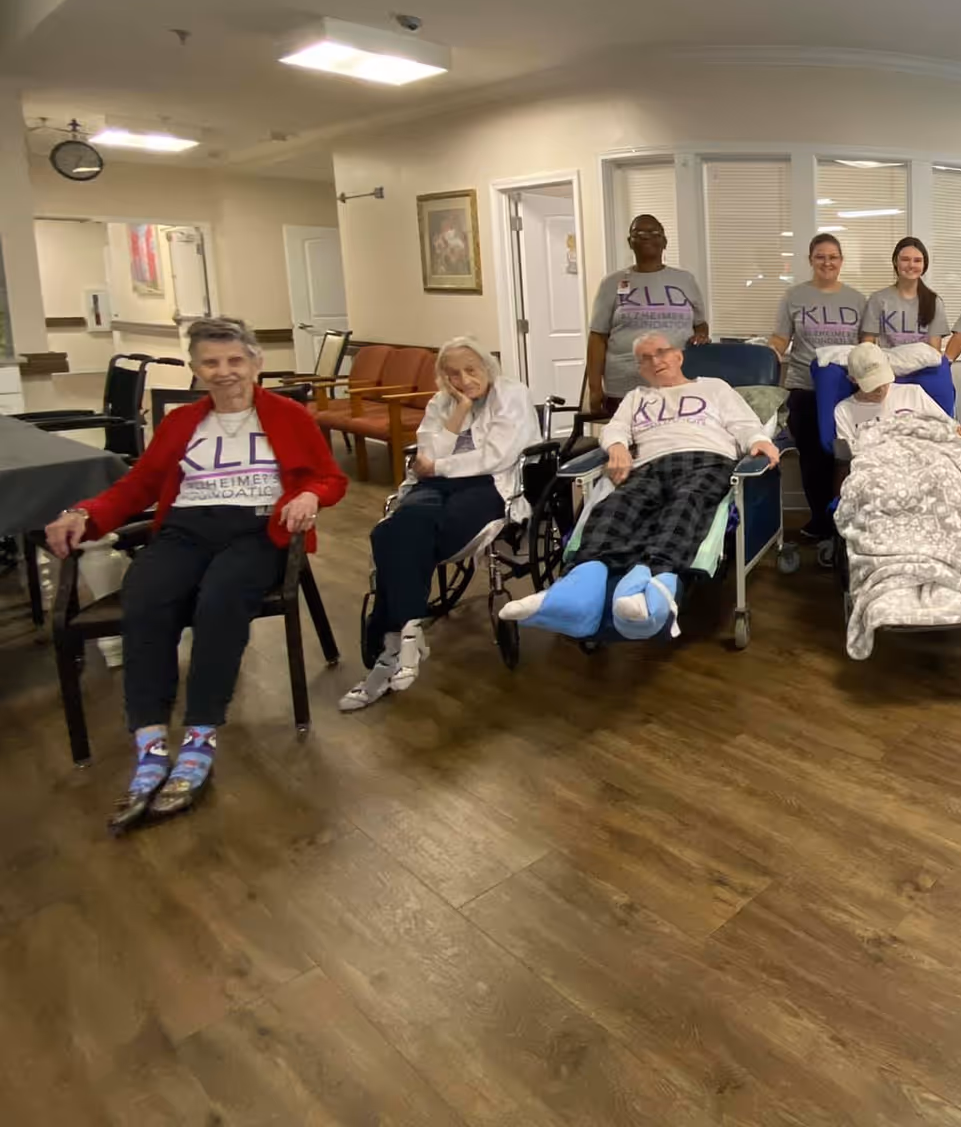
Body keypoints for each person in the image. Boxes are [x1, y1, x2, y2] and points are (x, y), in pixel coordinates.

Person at [41, 317, 348, 833]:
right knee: (144, 599)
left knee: (220, 600)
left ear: (256, 363)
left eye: (234, 361)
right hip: (185, 528)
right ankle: (151, 740)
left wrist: (309, 495)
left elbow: (329, 477)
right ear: (195, 368)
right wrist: (84, 513)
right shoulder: (181, 422)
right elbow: (136, 488)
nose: (224, 372)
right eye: (211, 362)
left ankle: (201, 733)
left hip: (256, 528)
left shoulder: (290, 416)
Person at [501, 332, 778, 639]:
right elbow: (615, 429)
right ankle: (579, 590)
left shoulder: (714, 387)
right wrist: (617, 447)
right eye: (645, 358)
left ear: (678, 356)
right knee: (616, 506)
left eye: (661, 352)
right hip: (649, 464)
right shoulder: (636, 398)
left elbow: (744, 423)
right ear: (640, 368)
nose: (655, 361)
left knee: (687, 502)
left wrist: (760, 442)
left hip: (707, 460)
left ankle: (652, 583)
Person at [340, 338, 539, 711]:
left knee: (401, 533)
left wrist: (439, 467)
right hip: (435, 485)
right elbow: (428, 455)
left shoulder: (511, 394)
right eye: (453, 374)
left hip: (489, 486)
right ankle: (409, 630)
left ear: (487, 368)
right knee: (395, 528)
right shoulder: (442, 401)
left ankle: (389, 646)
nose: (463, 380)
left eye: (471, 370)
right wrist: (460, 409)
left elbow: (496, 457)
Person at [769, 233, 866, 539]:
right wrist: (762, 355)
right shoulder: (794, 296)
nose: (827, 262)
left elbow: (866, 346)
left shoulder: (857, 300)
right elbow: (781, 341)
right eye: (820, 256)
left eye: (833, 257)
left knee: (844, 456)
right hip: (805, 388)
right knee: (812, 457)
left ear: (841, 261)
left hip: (847, 390)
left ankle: (844, 520)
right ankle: (821, 521)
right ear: (810, 260)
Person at [586, 213, 709, 413]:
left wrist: (701, 335)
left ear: (665, 241)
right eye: (639, 233)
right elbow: (597, 337)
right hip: (624, 386)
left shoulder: (685, 280)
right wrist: (594, 389)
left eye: (653, 232)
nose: (646, 237)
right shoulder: (611, 283)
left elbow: (700, 324)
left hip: (677, 383)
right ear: (629, 242)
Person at [833, 342, 954, 453]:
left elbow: (949, 427)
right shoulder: (844, 410)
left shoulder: (913, 393)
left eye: (883, 382)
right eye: (873, 386)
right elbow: (850, 453)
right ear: (853, 380)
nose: (880, 390)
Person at [860, 236, 949, 349]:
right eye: (905, 259)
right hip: (887, 365)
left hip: (924, 365)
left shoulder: (934, 301)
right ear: (895, 262)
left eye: (917, 260)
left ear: (924, 265)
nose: (911, 265)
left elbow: (934, 352)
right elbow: (867, 348)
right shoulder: (878, 299)